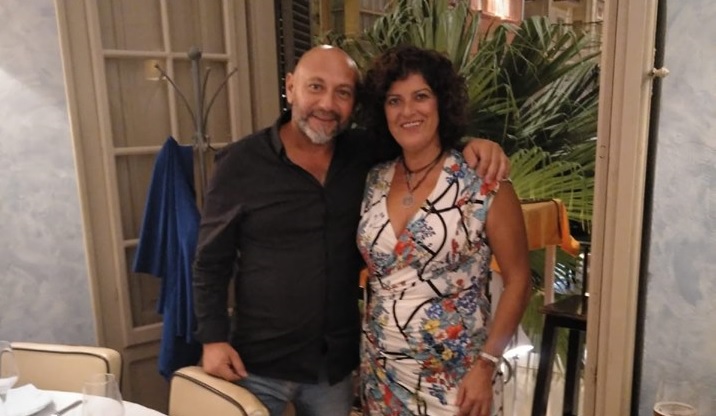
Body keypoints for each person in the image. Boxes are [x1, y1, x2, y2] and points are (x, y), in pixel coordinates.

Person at [192, 45, 510, 416]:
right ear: (290, 87)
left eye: (342, 92)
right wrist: (212, 339)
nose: (327, 104)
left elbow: (422, 139)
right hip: (257, 364)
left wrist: (472, 145)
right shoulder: (240, 163)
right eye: (316, 87)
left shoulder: (366, 155)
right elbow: (210, 262)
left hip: (334, 369)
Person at [356, 45, 532, 416]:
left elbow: (519, 280)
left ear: (441, 102)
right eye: (394, 101)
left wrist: (486, 365)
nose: (408, 111)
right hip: (382, 370)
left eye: (421, 96)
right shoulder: (375, 178)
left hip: (459, 378)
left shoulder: (483, 181)